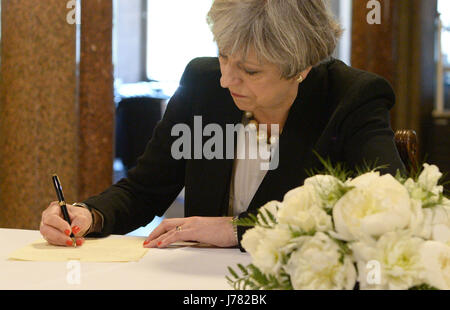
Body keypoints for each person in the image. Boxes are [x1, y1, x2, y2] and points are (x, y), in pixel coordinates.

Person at [40, 0, 405, 251]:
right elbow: (145, 189)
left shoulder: (351, 99)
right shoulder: (202, 82)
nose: (226, 80)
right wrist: (90, 215)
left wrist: (238, 229)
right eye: (223, 55)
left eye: (250, 70)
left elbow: (388, 208)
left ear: (302, 68)